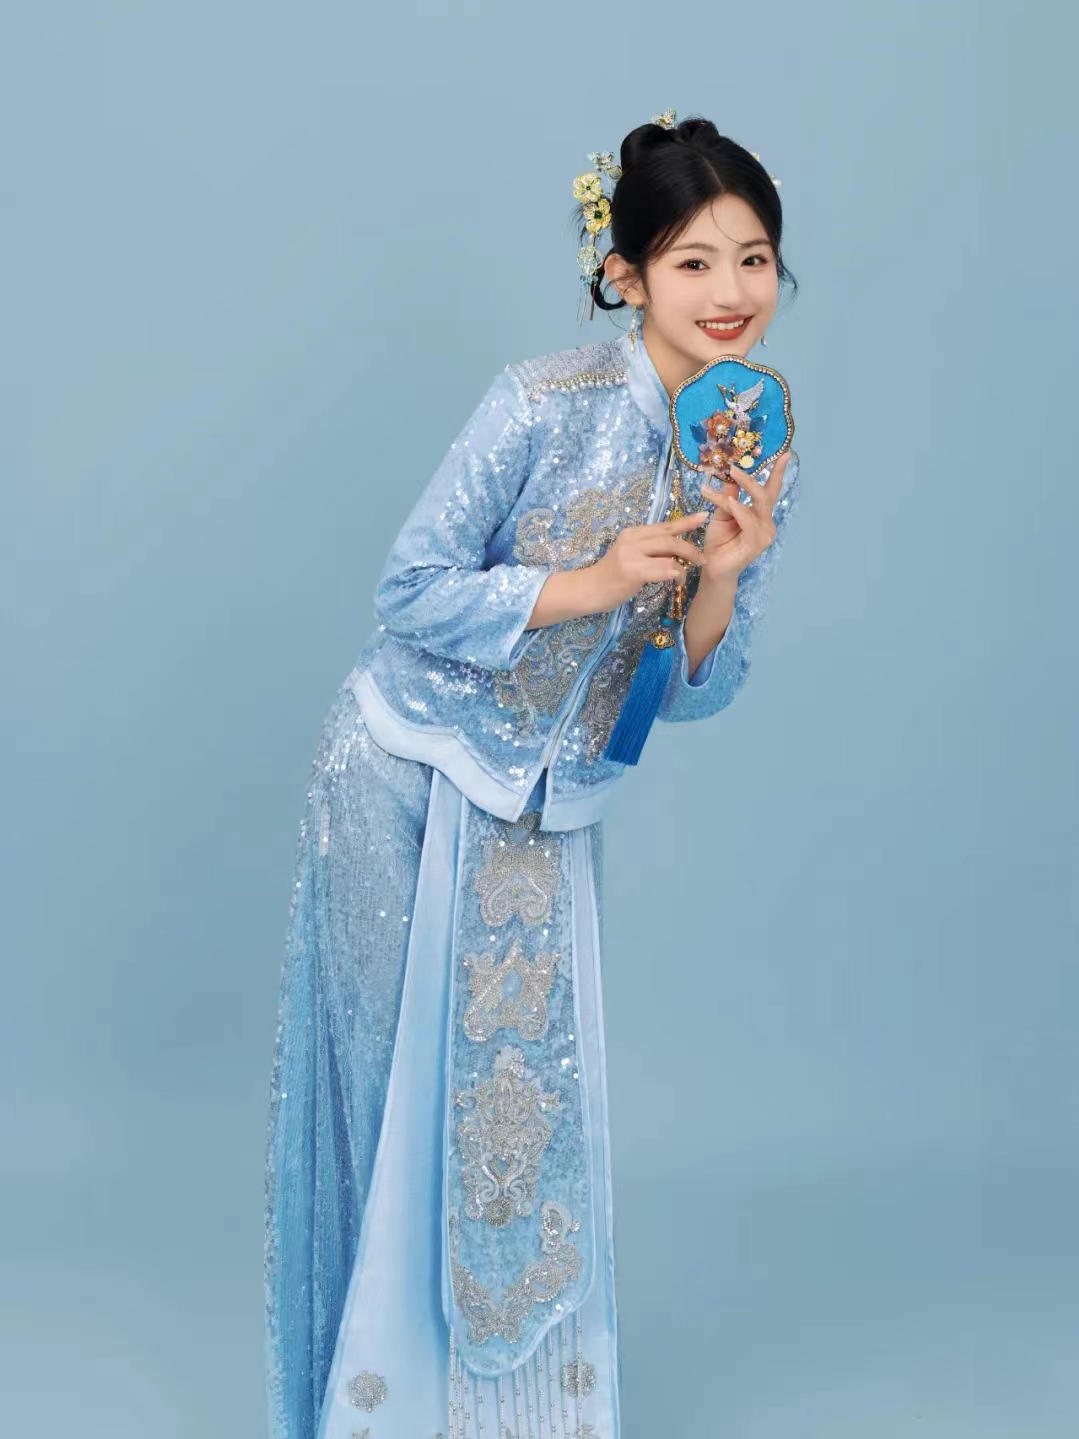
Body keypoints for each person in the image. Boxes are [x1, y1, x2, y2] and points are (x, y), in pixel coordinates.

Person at [264, 108, 803, 1439]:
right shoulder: (540, 402)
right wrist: (590, 581)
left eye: (754, 258)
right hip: (403, 770)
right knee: (397, 1096)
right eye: (693, 261)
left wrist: (722, 579)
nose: (731, 291)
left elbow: (699, 689)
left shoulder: (752, 441)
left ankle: (506, 1410)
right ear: (624, 274)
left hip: (540, 803)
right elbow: (408, 591)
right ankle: (377, 1407)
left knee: (510, 1110)